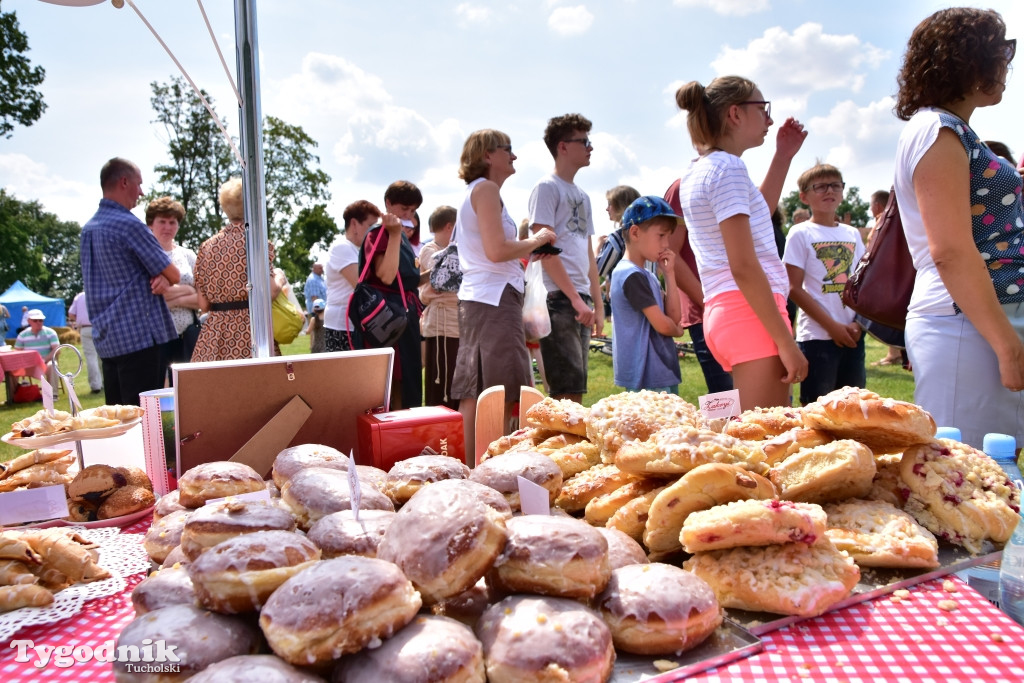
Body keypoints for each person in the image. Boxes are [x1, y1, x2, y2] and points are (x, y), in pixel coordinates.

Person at [893, 7, 1023, 448]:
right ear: (968, 60)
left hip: (974, 321)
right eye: (1002, 51)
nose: (1008, 63)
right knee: (963, 481)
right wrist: (1007, 345)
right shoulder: (938, 130)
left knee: (987, 483)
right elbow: (949, 248)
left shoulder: (947, 129)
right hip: (965, 324)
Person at [675, 77, 809, 410]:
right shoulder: (730, 168)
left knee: (736, 439)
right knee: (763, 446)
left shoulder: (699, 170)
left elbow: (757, 212)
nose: (769, 119)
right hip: (752, 314)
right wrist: (785, 342)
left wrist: (783, 155)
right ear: (735, 114)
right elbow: (744, 265)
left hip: (725, 313)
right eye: (762, 109)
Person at [450, 129, 556, 458]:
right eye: (507, 149)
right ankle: (494, 464)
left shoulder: (478, 191)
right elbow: (496, 251)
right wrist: (537, 240)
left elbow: (491, 251)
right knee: (505, 390)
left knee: (477, 388)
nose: (514, 156)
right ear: (487, 155)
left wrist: (526, 251)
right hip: (494, 299)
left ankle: (473, 464)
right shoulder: (485, 190)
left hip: (483, 298)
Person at [80, 157, 179, 406]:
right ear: (124, 182)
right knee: (144, 419)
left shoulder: (89, 229)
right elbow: (174, 274)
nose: (141, 192)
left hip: (107, 340)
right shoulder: (129, 225)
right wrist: (162, 277)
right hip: (139, 338)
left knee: (117, 419)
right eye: (139, 184)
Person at [528, 113, 603, 403]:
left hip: (578, 298)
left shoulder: (583, 195)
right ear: (562, 147)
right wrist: (574, 299)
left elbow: (588, 255)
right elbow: (543, 249)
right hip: (558, 298)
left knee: (576, 389)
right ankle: (557, 448)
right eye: (583, 141)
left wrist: (597, 305)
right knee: (565, 392)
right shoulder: (547, 187)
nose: (590, 147)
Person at [783, 164, 866, 405]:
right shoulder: (800, 233)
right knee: (818, 409)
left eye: (835, 185)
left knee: (854, 408)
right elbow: (793, 287)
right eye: (820, 186)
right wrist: (832, 326)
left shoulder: (852, 234)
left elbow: (863, 283)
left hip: (852, 334)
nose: (829, 190)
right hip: (818, 336)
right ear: (804, 196)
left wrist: (857, 324)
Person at [192, 178, 278, 362]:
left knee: (215, 387)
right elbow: (271, 290)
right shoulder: (256, 243)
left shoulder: (207, 247)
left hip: (214, 334)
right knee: (258, 386)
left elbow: (203, 304)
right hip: (251, 329)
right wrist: (280, 279)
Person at [358, 181, 426, 409]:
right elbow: (386, 276)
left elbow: (406, 280)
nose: (409, 215)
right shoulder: (378, 234)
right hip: (387, 322)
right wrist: (395, 234)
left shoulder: (401, 236)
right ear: (388, 204)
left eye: (413, 210)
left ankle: (404, 434)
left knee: (408, 381)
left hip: (403, 318)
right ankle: (392, 437)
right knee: (394, 382)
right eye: (404, 209)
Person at [664, 180, 734, 394]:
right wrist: (709, 302)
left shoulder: (733, 182)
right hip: (706, 309)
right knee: (725, 400)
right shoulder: (683, 187)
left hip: (739, 306)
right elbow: (670, 253)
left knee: (752, 400)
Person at [610, 197, 685, 393]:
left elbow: (674, 316)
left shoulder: (647, 275)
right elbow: (663, 324)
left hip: (659, 371)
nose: (666, 244)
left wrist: (669, 274)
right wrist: (677, 332)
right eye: (661, 235)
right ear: (635, 232)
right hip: (647, 375)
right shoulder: (632, 275)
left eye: (668, 237)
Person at [146, 196, 200, 385]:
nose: (168, 227)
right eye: (162, 221)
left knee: (187, 388)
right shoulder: (143, 255)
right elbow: (150, 295)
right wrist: (186, 289)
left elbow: (203, 299)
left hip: (186, 334)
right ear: (151, 224)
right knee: (157, 389)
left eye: (172, 222)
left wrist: (174, 298)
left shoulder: (188, 255)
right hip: (154, 338)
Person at [324, 199, 381, 352]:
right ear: (354, 224)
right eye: (371, 226)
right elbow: (361, 284)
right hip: (343, 326)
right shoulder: (342, 247)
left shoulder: (356, 249)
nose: (374, 231)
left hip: (355, 324)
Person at [419, 205, 460, 409]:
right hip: (441, 327)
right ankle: (439, 437)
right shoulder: (429, 250)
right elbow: (444, 280)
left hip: (459, 325)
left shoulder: (456, 251)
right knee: (442, 386)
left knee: (456, 385)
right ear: (449, 226)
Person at [14, 309, 60, 388]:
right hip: (27, 364)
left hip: (46, 362)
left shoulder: (51, 332)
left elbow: (57, 350)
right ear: (29, 321)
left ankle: (53, 395)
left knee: (52, 365)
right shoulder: (22, 335)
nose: (38, 322)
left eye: (41, 320)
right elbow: (17, 352)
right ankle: (13, 396)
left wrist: (45, 359)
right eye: (35, 320)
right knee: (12, 367)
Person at [67, 292, 102, 394]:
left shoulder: (79, 296)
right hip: (99, 327)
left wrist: (80, 318)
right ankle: (104, 382)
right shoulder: (99, 291)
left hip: (86, 328)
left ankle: (96, 385)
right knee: (103, 357)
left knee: (91, 357)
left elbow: (71, 314)